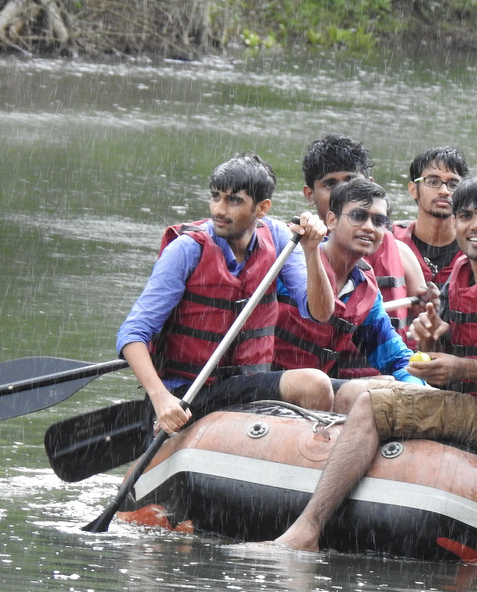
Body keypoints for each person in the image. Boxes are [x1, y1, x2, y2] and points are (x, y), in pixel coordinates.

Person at [273, 173, 477, 551]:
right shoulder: (461, 276)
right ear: (456, 223)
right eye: (466, 216)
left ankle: (307, 531)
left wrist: (459, 369)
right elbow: (432, 360)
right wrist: (429, 340)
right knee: (378, 392)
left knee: (372, 404)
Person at [116, 152, 335, 435]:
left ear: (262, 208)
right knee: (313, 383)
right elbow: (132, 333)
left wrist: (311, 250)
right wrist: (161, 398)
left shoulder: (281, 238)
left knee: (345, 389)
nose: (219, 209)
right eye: (216, 196)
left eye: (233, 201)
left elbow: (321, 312)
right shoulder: (186, 249)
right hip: (189, 394)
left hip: (248, 388)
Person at [274, 178, 426, 385]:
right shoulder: (292, 261)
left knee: (388, 385)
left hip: (316, 394)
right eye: (358, 216)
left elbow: (394, 358)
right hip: (266, 384)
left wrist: (421, 387)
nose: (369, 227)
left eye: (379, 221)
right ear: (331, 220)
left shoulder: (365, 288)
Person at [298, 134, 430, 342]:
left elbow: (424, 332)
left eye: (351, 181)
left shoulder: (402, 254)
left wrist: (428, 311)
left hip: (384, 366)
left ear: (369, 185)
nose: (342, 191)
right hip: (320, 371)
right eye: (330, 184)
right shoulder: (294, 250)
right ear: (310, 194)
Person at [392, 146, 470, 285]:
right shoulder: (390, 241)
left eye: (453, 184)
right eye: (433, 182)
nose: (444, 191)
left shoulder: (474, 250)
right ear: (413, 190)